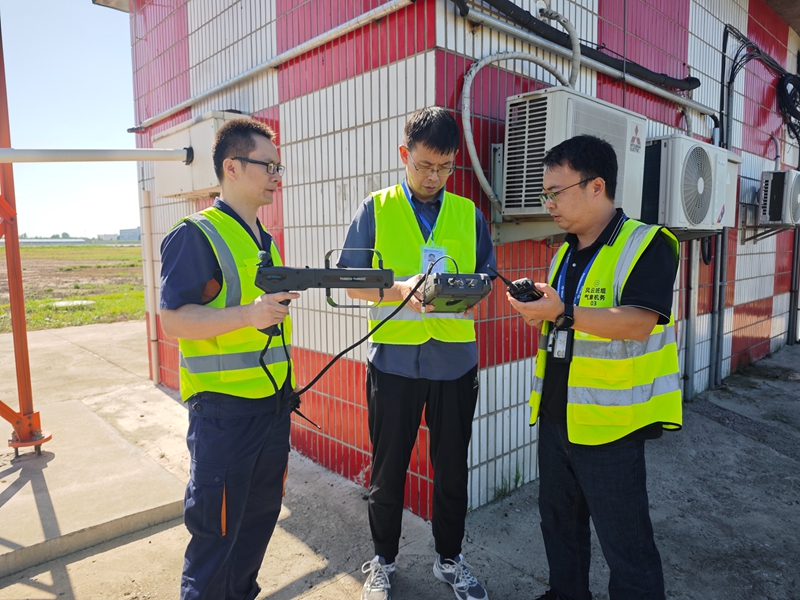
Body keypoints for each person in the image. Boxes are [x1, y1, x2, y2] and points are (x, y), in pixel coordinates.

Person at [507, 135, 682, 600]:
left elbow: (639, 323)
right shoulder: (565, 252)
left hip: (612, 426)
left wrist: (561, 313)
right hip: (559, 416)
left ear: (596, 186)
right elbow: (566, 327)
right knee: (559, 526)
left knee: (626, 545)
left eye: (555, 192)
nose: (548, 204)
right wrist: (542, 312)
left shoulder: (648, 243)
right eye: (545, 194)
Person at [338, 107, 496, 600]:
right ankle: (383, 561)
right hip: (395, 362)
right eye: (424, 165)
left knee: (451, 468)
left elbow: (487, 277)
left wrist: (464, 289)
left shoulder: (469, 214)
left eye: (445, 167)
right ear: (404, 155)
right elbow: (351, 281)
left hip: (454, 361)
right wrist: (400, 289)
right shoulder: (376, 208)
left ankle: (450, 559)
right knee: (388, 470)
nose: (434, 177)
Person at [159, 118, 300, 600]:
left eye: (278, 166)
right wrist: (248, 314)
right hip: (223, 417)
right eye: (269, 166)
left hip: (272, 409)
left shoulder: (264, 238)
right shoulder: (196, 234)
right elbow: (173, 321)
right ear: (233, 167)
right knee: (216, 537)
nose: (277, 175)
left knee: (257, 524)